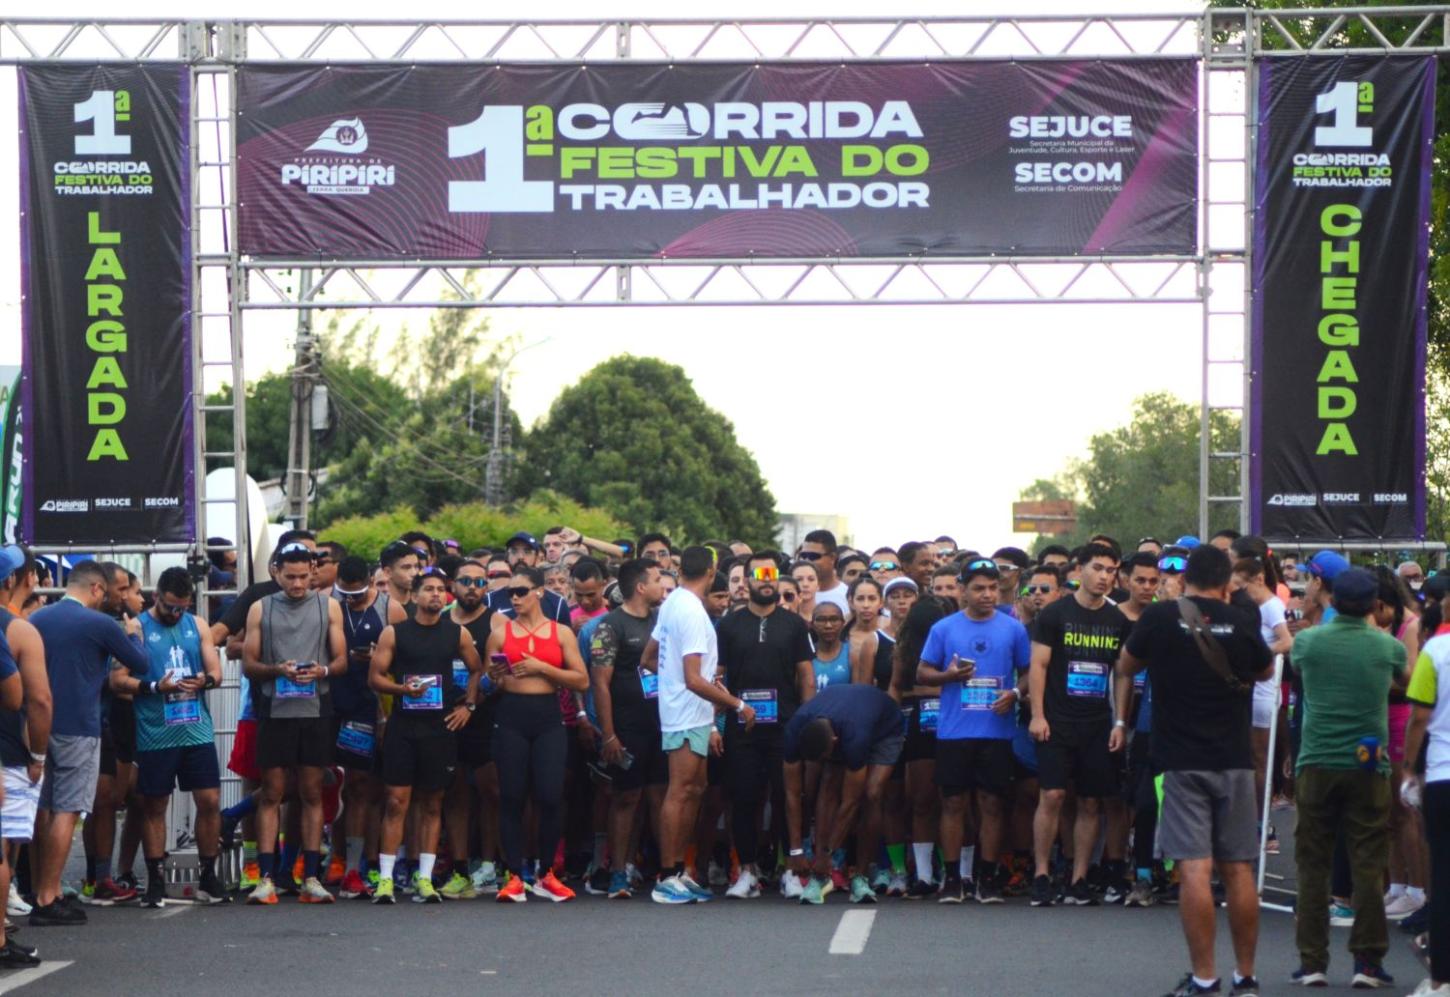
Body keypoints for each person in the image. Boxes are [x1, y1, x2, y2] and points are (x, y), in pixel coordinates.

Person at [1117, 544, 1272, 997]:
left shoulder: (1161, 618)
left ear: (1183, 580)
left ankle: (1205, 977)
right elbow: (1264, 673)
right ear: (1227, 584)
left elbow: (1126, 665)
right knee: (1239, 869)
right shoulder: (1243, 621)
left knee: (1195, 870)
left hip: (1181, 762)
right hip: (1234, 761)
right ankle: (1246, 977)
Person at [1290, 567, 1409, 989]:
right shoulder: (1386, 647)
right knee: (1369, 862)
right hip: (1368, 761)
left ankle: (1312, 962)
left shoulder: (1307, 641)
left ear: (1334, 600)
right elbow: (1405, 682)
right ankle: (1368, 963)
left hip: (1318, 759)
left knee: (1312, 863)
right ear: (1376, 605)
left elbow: (1299, 672)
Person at [28, 560, 146, 927]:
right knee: (67, 810)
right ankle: (50, 896)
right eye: (108, 592)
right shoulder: (99, 624)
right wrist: (134, 633)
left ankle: (39, 889)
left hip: (36, 725)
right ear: (95, 589)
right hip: (80, 726)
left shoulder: (37, 620)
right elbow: (140, 662)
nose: (111, 599)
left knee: (41, 811)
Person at [109, 567, 228, 908]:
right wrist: (153, 687)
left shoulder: (197, 625)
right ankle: (155, 880)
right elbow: (118, 680)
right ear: (156, 597)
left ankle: (208, 875)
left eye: (182, 607)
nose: (176, 613)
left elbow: (216, 672)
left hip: (196, 729)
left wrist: (204, 680)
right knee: (154, 804)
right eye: (170, 607)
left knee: (209, 800)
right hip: (156, 732)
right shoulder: (137, 629)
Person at [918, 558, 1030, 904]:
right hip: (954, 732)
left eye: (993, 588)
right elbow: (922, 673)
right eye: (979, 588)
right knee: (953, 804)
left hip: (996, 732)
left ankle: (987, 877)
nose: (987, 594)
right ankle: (952, 878)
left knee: (991, 804)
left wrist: (1015, 693)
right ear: (963, 591)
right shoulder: (944, 628)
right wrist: (948, 677)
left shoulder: (1013, 629)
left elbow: (1028, 673)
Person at [645, 546, 753, 905]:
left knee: (696, 788)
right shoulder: (690, 610)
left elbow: (650, 658)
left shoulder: (673, 601)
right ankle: (666, 876)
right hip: (686, 713)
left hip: (691, 712)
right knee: (681, 790)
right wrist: (737, 704)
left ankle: (678, 871)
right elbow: (693, 678)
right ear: (712, 570)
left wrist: (679, 686)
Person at [241, 542, 347, 905]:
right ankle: (266, 877)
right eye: (290, 577)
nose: (298, 584)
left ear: (313, 571)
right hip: (275, 709)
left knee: (312, 792)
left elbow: (342, 660)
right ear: (275, 572)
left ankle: (311, 877)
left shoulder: (328, 606)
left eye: (304, 576)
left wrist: (322, 671)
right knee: (271, 792)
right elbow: (248, 663)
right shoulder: (261, 608)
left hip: (315, 710)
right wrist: (278, 669)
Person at [368, 568, 482, 904]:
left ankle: (425, 880)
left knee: (433, 803)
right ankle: (386, 880)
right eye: (428, 589)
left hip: (440, 727)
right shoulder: (395, 632)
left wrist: (469, 706)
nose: (436, 594)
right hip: (404, 726)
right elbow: (375, 677)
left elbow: (477, 668)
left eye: (440, 590)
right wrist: (401, 688)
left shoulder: (456, 633)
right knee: (395, 802)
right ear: (415, 595)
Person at [1027, 542, 1131, 907]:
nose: (1105, 577)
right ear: (1080, 570)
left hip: (1097, 723)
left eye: (1111, 571)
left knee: (1090, 803)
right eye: (1098, 568)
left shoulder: (1117, 620)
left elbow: (1121, 675)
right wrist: (1037, 715)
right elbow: (1037, 667)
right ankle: (1041, 873)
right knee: (1052, 795)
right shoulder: (1054, 614)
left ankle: (1079, 878)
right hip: (1056, 721)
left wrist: (1120, 721)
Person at [484, 566, 590, 903]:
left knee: (549, 794)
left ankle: (546, 873)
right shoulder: (501, 632)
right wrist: (495, 674)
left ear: (539, 592)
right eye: (511, 593)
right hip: (511, 713)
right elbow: (488, 681)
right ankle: (514, 874)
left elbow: (582, 680)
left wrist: (542, 668)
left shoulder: (560, 632)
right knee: (512, 795)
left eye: (521, 591)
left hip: (548, 716)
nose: (514, 598)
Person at [716, 553, 814, 900]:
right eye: (758, 575)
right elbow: (718, 676)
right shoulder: (729, 624)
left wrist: (806, 719)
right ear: (746, 581)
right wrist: (721, 717)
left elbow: (805, 675)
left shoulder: (794, 625)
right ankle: (747, 871)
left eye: (771, 574)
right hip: (741, 725)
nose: (766, 580)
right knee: (743, 798)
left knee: (788, 797)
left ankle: (789, 870)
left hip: (785, 726)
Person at [782, 683, 905, 904]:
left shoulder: (855, 736)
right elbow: (791, 794)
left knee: (871, 794)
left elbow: (850, 803)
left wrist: (828, 854)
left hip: (884, 727)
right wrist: (796, 850)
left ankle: (860, 875)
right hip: (847, 716)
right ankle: (820, 877)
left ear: (834, 743)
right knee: (827, 784)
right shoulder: (794, 729)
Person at [591, 559, 668, 899]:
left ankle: (669, 871)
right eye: (656, 580)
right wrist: (608, 733)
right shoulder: (610, 626)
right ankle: (618, 871)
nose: (662, 586)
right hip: (626, 726)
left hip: (662, 724)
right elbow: (600, 684)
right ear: (640, 587)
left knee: (660, 797)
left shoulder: (661, 621)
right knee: (626, 798)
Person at [330, 556, 404, 899]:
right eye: (345, 594)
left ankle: (354, 868)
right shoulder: (325, 603)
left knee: (361, 786)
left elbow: (406, 660)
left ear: (372, 585)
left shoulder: (391, 609)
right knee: (312, 782)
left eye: (358, 595)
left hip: (366, 704)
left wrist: (380, 656)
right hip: (325, 701)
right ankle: (319, 858)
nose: (351, 601)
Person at [442, 559, 503, 898]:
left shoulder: (497, 622)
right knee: (454, 794)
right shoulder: (439, 619)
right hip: (445, 715)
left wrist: (475, 701)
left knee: (490, 791)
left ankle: (489, 866)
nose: (473, 588)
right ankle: (460, 867)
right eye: (465, 581)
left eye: (480, 582)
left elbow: (502, 675)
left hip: (485, 715)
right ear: (454, 585)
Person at [0, 545, 49, 954]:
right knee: (4, 847)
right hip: (10, 754)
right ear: (21, 579)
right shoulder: (17, 630)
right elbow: (34, 700)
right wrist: (38, 755)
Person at [1403, 582, 1450, 997]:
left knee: (1444, 874)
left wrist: (1407, 769)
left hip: (1442, 774)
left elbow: (1419, 717)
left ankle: (1441, 979)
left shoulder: (1435, 650)